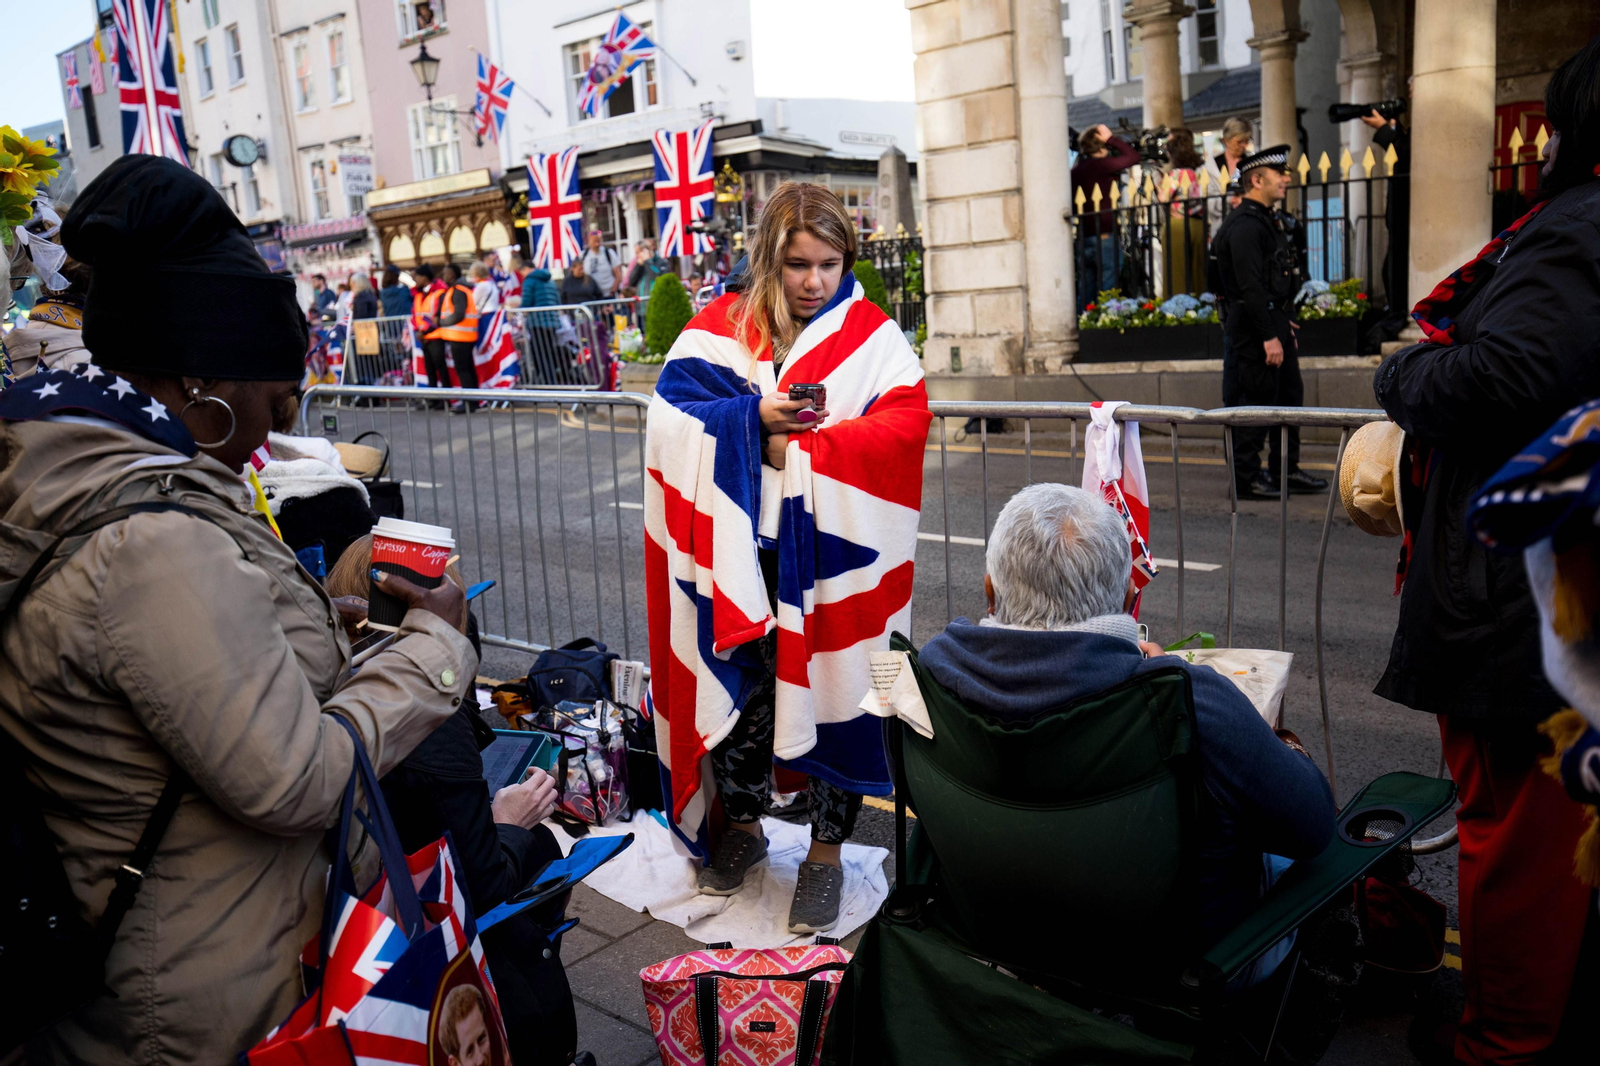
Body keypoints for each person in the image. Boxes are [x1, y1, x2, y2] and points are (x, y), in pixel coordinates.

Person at [0, 154, 474, 1064]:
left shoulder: (132, 485)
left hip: (213, 951)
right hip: (209, 1003)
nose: (284, 416)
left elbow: (187, 686)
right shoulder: (150, 540)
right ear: (199, 389)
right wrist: (433, 651)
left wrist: (328, 628)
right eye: (275, 392)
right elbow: (290, 779)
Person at [1370, 35, 1600, 1066]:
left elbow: (1496, 380)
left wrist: (1401, 375)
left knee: (1513, 844)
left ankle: (1498, 1042)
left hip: (1525, 603)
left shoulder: (1574, 235)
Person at [644, 181, 931, 934]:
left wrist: (790, 449)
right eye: (799, 265)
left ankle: (827, 857)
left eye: (829, 264)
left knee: (846, 696)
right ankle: (741, 828)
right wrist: (752, 421)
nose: (814, 282)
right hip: (745, 562)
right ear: (770, 260)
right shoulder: (720, 331)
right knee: (747, 697)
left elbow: (904, 426)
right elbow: (670, 419)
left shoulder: (876, 339)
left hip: (845, 566)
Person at [918, 483, 1336, 984]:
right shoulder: (1193, 703)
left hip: (998, 938)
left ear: (989, 589)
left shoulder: (931, 679)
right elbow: (1312, 827)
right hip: (1173, 971)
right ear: (1126, 599)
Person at [326, 538, 581, 1066]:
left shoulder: (332, 680)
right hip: (431, 952)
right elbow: (480, 889)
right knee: (543, 846)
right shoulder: (431, 722)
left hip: (355, 931)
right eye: (446, 603)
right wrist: (508, 822)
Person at [1209, 145, 1328, 500]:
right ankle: (1246, 478)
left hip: (1271, 316)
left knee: (1288, 399)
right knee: (1254, 401)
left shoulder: (1266, 219)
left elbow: (1278, 277)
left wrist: (1284, 321)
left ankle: (1284, 470)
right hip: (1251, 325)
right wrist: (1268, 336)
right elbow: (1249, 287)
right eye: (1280, 174)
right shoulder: (1245, 225)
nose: (1287, 179)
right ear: (1257, 180)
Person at [1070, 123, 1139, 308]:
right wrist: (1111, 138)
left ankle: (1085, 327)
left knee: (1086, 289)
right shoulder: (1101, 166)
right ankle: (1105, 324)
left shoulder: (1074, 172)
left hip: (1084, 236)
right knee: (1108, 288)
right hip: (1105, 235)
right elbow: (1133, 157)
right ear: (1101, 147)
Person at [425, 262, 481, 412]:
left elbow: (458, 313)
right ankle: (473, 401)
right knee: (468, 369)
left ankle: (469, 403)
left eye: (446, 273)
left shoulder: (457, 290)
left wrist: (442, 322)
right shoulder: (460, 289)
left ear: (453, 274)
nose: (443, 276)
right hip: (464, 335)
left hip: (460, 336)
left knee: (463, 370)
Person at [1161, 127, 1208, 296]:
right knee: (1198, 274)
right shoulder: (1198, 172)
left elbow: (1163, 197)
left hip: (1178, 225)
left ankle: (1178, 312)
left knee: (1177, 275)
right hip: (1198, 224)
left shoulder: (1176, 173)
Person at [1203, 116, 1254, 236]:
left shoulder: (1252, 163)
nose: (1243, 145)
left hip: (1250, 225)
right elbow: (1208, 203)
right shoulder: (1212, 166)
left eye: (1246, 141)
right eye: (1239, 141)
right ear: (1226, 140)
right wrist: (1231, 200)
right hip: (1223, 227)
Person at [581, 228, 622, 298]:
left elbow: (618, 275)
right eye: (594, 241)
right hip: (592, 296)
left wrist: (613, 291)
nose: (597, 244)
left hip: (608, 295)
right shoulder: (583, 255)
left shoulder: (609, 253)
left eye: (598, 240)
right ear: (589, 241)